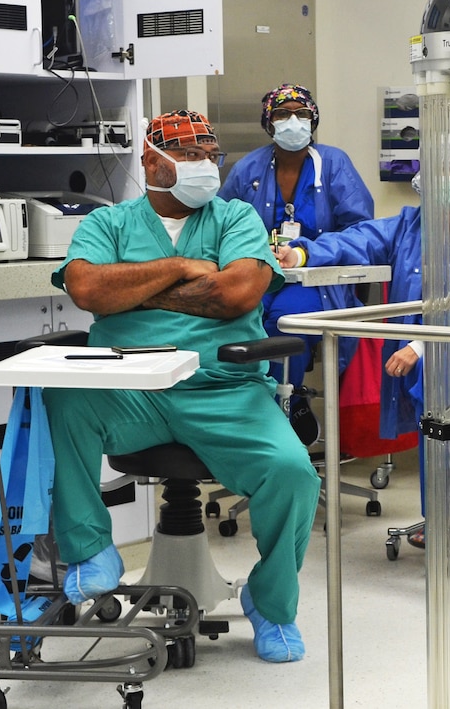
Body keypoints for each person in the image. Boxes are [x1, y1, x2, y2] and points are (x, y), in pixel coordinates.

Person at [42, 110, 320, 663]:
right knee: (62, 393)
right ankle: (92, 551)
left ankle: (272, 603)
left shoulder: (236, 217)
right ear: (152, 161)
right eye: (190, 154)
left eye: (209, 153)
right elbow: (87, 287)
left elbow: (236, 296)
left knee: (293, 473)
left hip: (224, 387)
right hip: (128, 389)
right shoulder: (109, 223)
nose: (205, 165)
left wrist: (136, 292)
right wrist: (179, 267)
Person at [275, 173, 426, 544]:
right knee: (434, 433)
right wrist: (302, 251)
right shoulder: (411, 225)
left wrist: (419, 345)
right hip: (422, 354)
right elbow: (357, 239)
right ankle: (441, 517)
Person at [219, 83, 374, 386]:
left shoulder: (333, 165)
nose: (293, 121)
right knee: (241, 318)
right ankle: (244, 397)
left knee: (285, 320)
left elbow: (361, 232)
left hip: (315, 279)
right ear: (268, 123)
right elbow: (222, 226)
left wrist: (308, 253)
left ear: (312, 120)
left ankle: (284, 400)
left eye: (301, 113)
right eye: (282, 114)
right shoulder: (247, 169)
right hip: (258, 273)